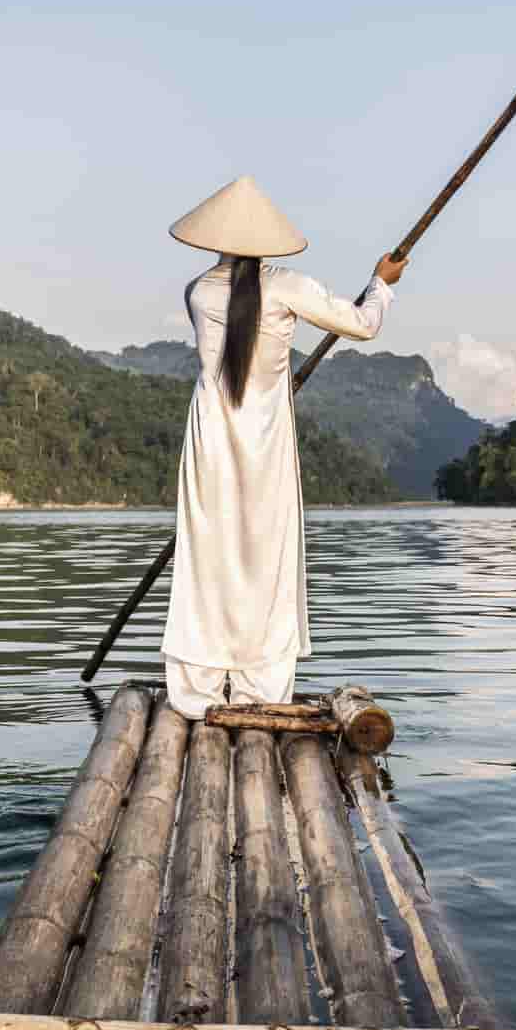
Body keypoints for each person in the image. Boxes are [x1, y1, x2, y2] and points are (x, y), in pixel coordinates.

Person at [159, 175, 407, 721]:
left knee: (208, 556)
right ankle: (259, 689)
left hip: (212, 439)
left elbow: (232, 349)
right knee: (265, 556)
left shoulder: (198, 291)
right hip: (265, 439)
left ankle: (197, 692)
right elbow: (362, 326)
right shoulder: (289, 284)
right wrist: (380, 282)